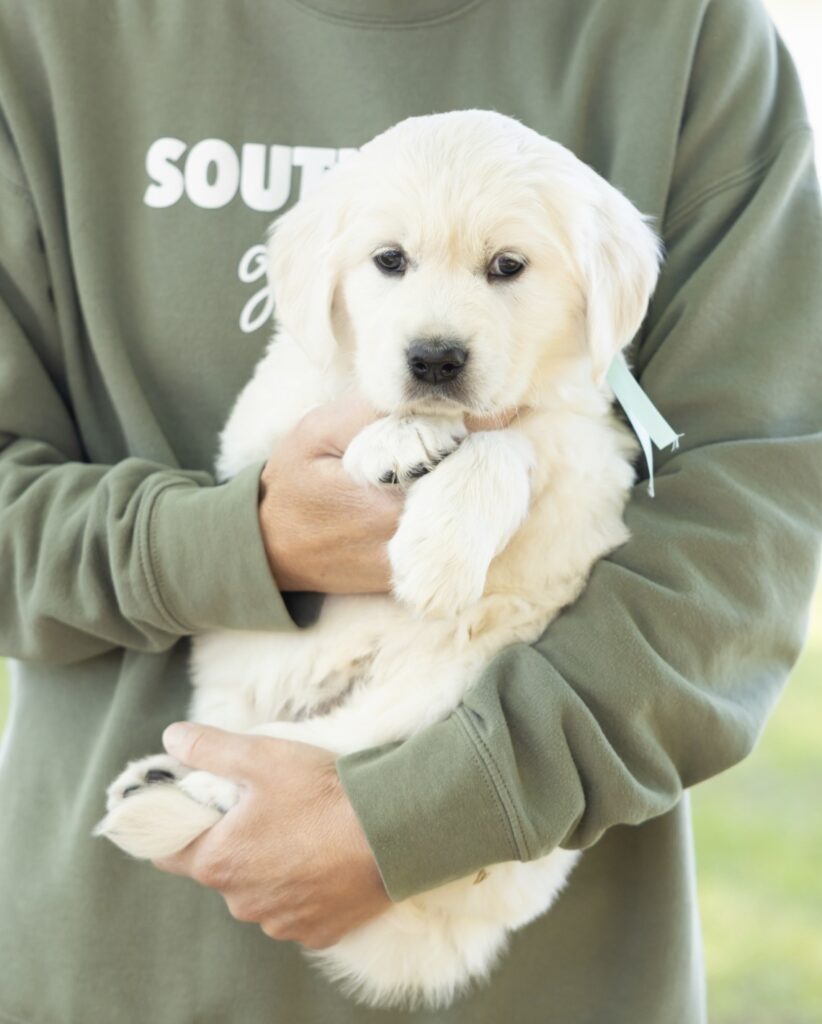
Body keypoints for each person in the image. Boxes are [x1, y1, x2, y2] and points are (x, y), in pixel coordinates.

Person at [0, 0, 820, 1022]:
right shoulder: (43, 31)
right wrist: (244, 539)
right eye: (392, 262)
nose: (439, 334)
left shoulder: (686, 32)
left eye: (504, 268)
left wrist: (431, 808)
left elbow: (751, 527)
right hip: (115, 961)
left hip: (549, 981)